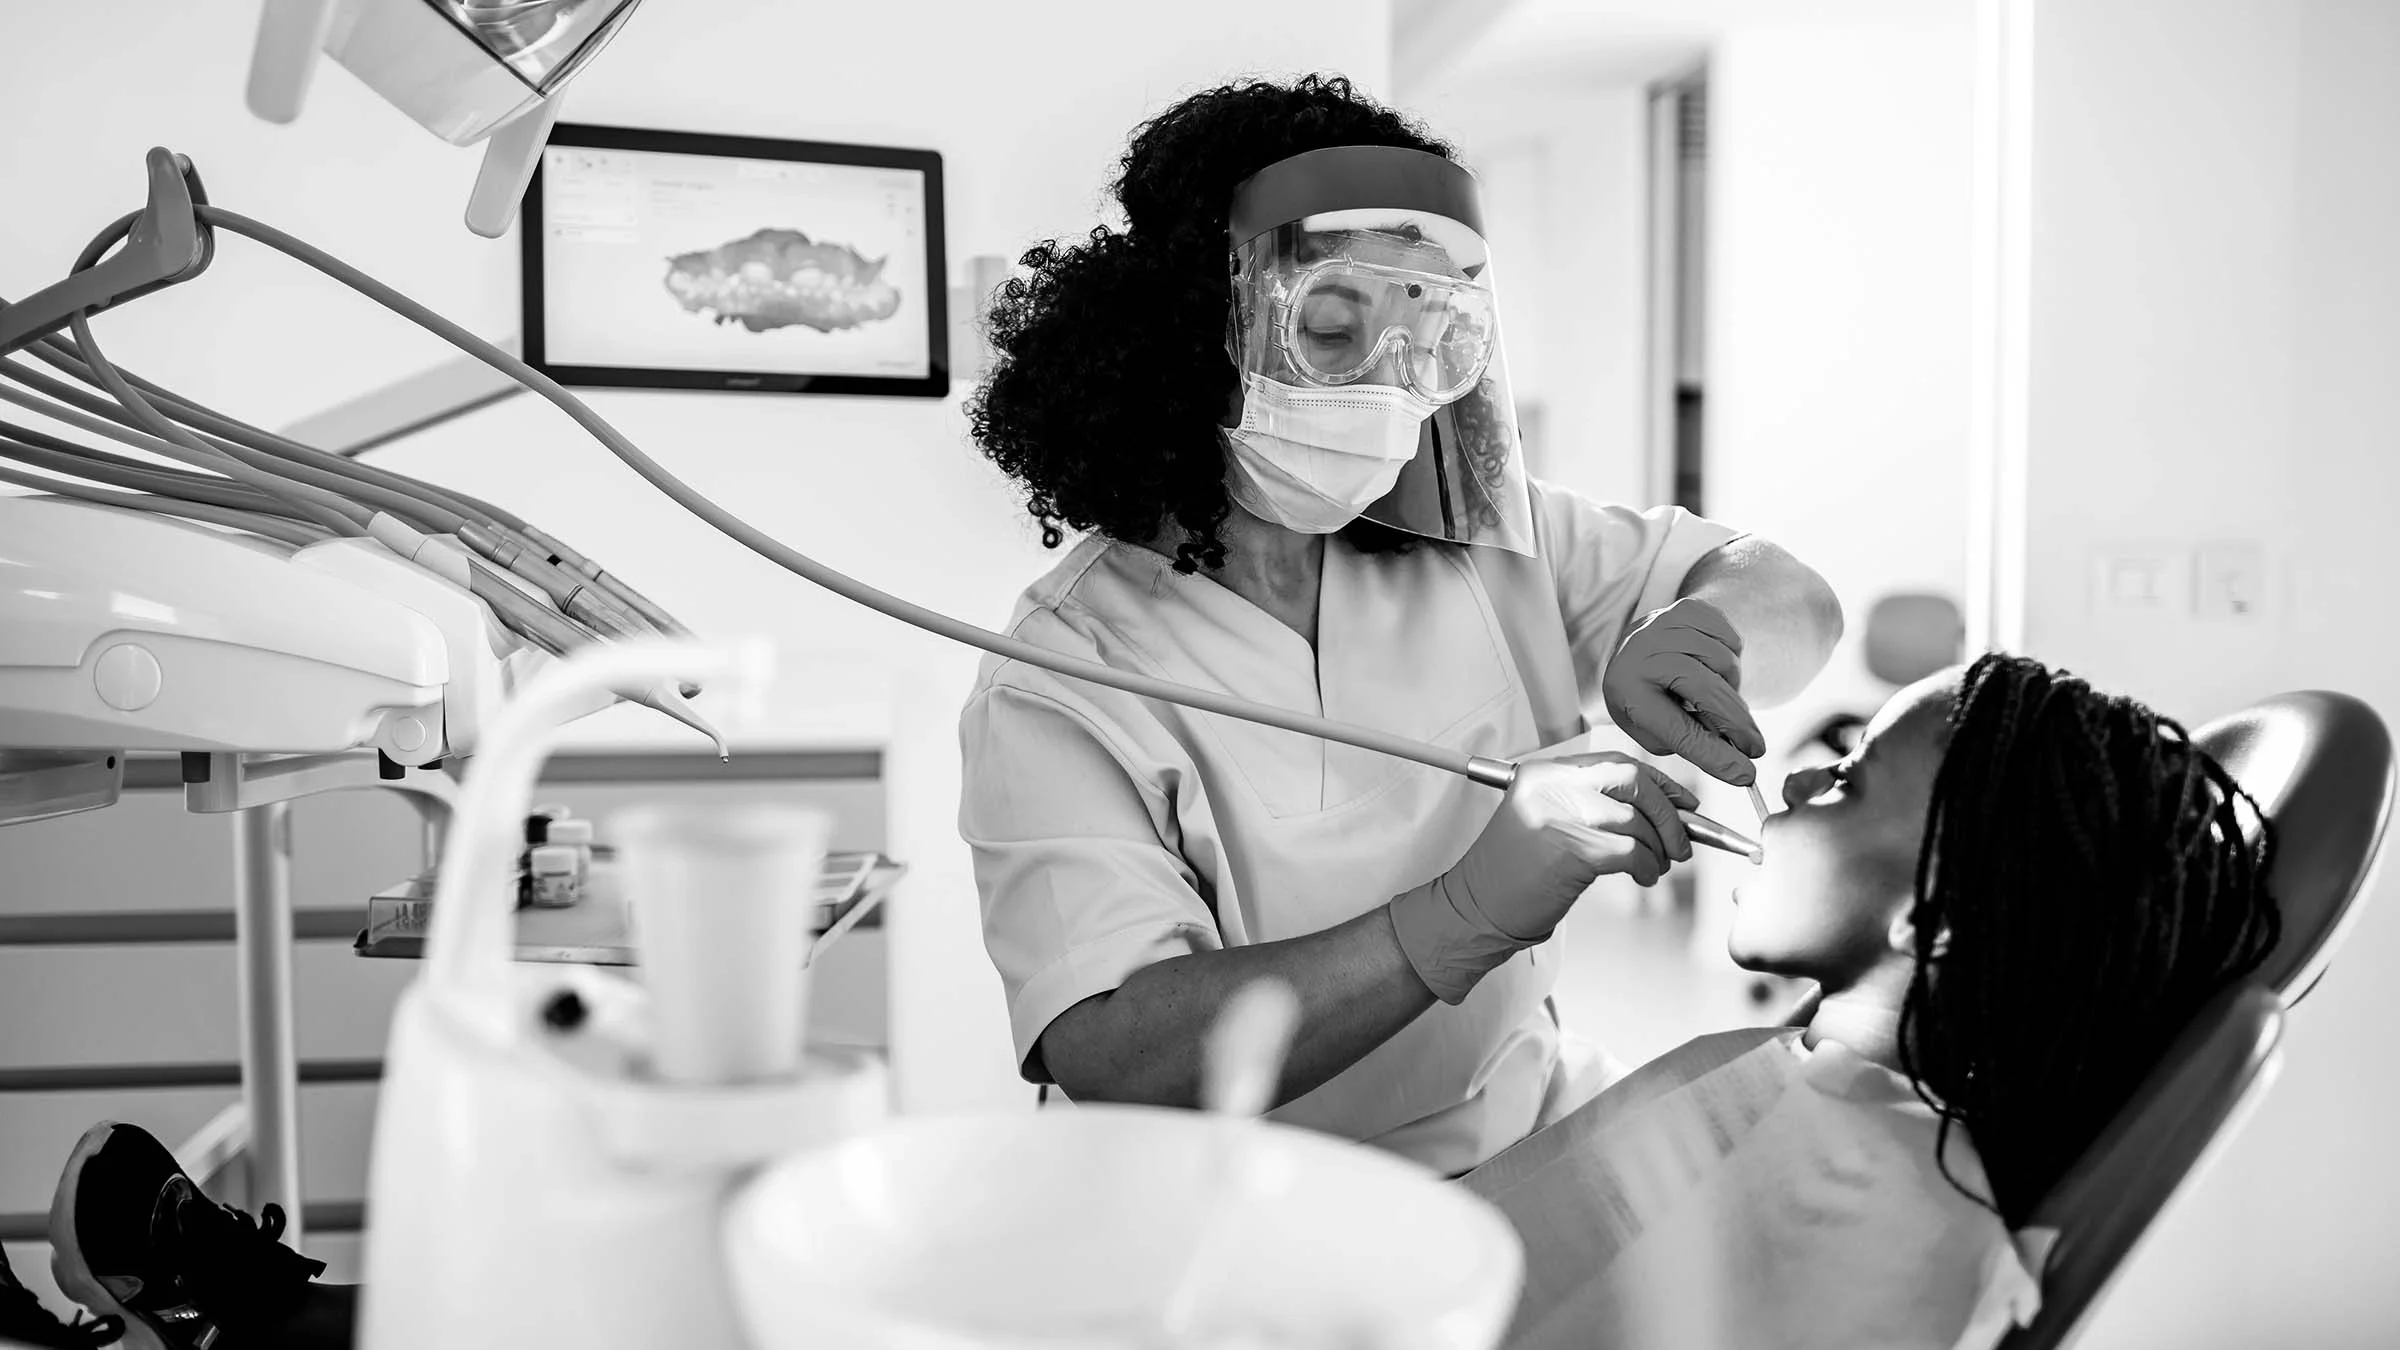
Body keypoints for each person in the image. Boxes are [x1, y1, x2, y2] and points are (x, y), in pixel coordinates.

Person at [960, 74, 1843, 1176]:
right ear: (1198, 320)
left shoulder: (1481, 540)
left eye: (1429, 339)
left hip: (1518, 1140)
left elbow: (1794, 593)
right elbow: (1108, 1048)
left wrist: (1708, 626)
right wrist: (1453, 919)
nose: (1387, 389)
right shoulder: (1062, 672)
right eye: (1335, 328)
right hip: (1230, 1219)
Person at [1462, 653, 2282, 1349]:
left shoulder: (1880, 1223)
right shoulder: (1798, 1081)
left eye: (1848, 780)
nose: (1797, 779)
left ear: (1935, 916)